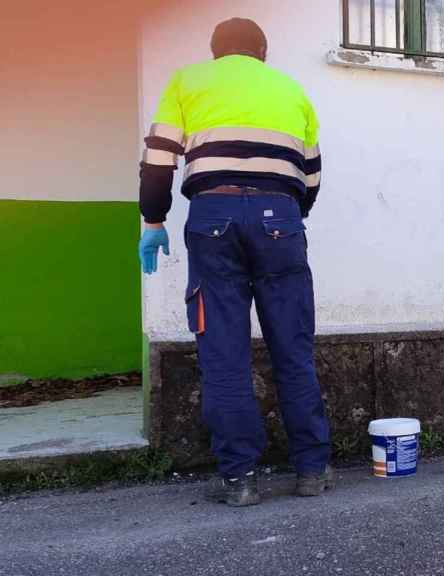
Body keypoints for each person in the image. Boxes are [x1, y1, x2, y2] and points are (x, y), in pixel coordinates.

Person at [137, 18, 333, 507]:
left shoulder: (188, 81)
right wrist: (287, 219)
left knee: (224, 355)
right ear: (261, 53)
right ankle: (311, 469)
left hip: (213, 217)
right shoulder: (292, 90)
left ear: (216, 52)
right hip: (280, 220)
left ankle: (239, 478)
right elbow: (310, 175)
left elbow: (158, 158)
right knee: (293, 348)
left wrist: (153, 220)